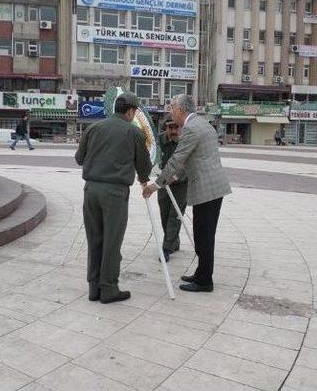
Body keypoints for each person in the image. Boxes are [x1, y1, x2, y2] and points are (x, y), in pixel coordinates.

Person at [143, 94, 231, 293]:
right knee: (203, 235)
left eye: (172, 107)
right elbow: (195, 158)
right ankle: (201, 274)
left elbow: (176, 160)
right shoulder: (203, 124)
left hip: (207, 189)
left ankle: (204, 281)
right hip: (214, 187)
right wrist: (174, 177)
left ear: (181, 110)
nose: (170, 111)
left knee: (204, 237)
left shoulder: (190, 129)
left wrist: (155, 185)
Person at [75, 92, 152, 304]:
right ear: (130, 111)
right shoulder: (134, 133)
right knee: (111, 242)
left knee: (94, 239)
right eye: (135, 111)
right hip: (115, 193)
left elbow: (79, 158)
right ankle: (108, 288)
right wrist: (145, 181)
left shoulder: (94, 128)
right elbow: (144, 165)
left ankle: (93, 288)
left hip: (91, 190)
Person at [156, 116, 188, 262]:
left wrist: (175, 178)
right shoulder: (159, 141)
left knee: (175, 216)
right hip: (163, 183)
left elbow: (188, 166)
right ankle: (173, 242)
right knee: (164, 215)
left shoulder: (186, 142)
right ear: (165, 128)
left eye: (176, 127)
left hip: (181, 184)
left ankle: (166, 248)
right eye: (170, 127)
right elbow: (152, 157)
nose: (174, 131)